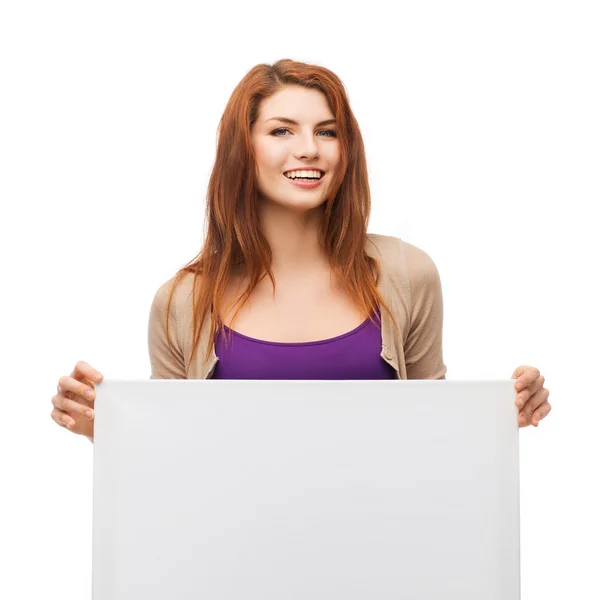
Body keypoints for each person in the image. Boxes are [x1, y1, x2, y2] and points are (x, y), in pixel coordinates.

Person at [50, 59, 551, 444]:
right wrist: (106, 431)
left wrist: (502, 416)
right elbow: (174, 459)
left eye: (327, 131)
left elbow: (435, 440)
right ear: (241, 149)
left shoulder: (406, 273)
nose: (309, 148)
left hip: (383, 563)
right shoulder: (183, 300)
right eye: (281, 130)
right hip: (234, 568)